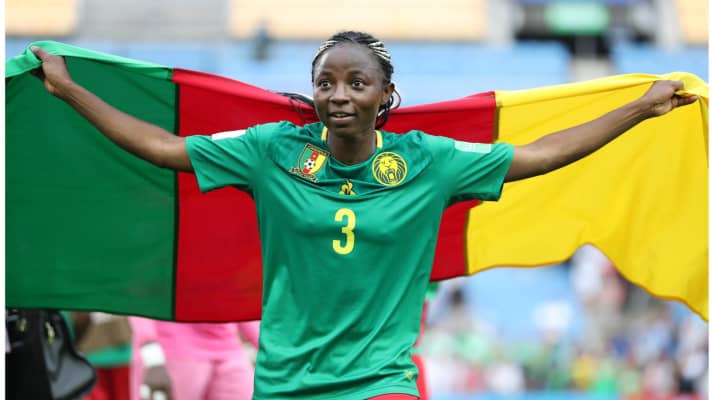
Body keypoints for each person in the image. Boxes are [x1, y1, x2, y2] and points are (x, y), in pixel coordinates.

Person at [30, 30, 697, 400]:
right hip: (285, 383)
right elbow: (162, 148)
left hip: (380, 383)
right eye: (326, 82)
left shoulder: (429, 160)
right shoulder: (270, 150)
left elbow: (542, 154)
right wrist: (68, 90)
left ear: (385, 95)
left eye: (356, 82)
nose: (339, 94)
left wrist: (640, 108)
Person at [129, 318, 259, 400]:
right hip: (174, 349)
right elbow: (138, 290)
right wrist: (153, 358)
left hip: (228, 348)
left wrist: (266, 345)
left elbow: (240, 300)